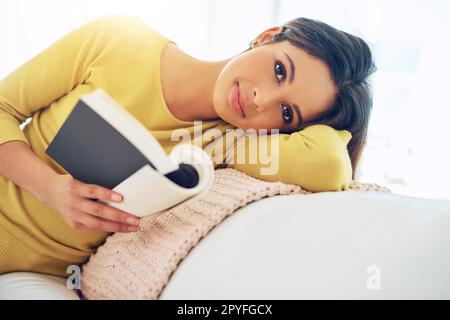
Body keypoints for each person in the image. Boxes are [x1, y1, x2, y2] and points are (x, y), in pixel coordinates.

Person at [0, 14, 376, 276]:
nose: (262, 99)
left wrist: (228, 145)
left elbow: (329, 166)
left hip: (38, 274)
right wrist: (51, 189)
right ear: (266, 36)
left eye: (287, 113)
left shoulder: (227, 146)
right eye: (280, 70)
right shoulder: (118, 39)